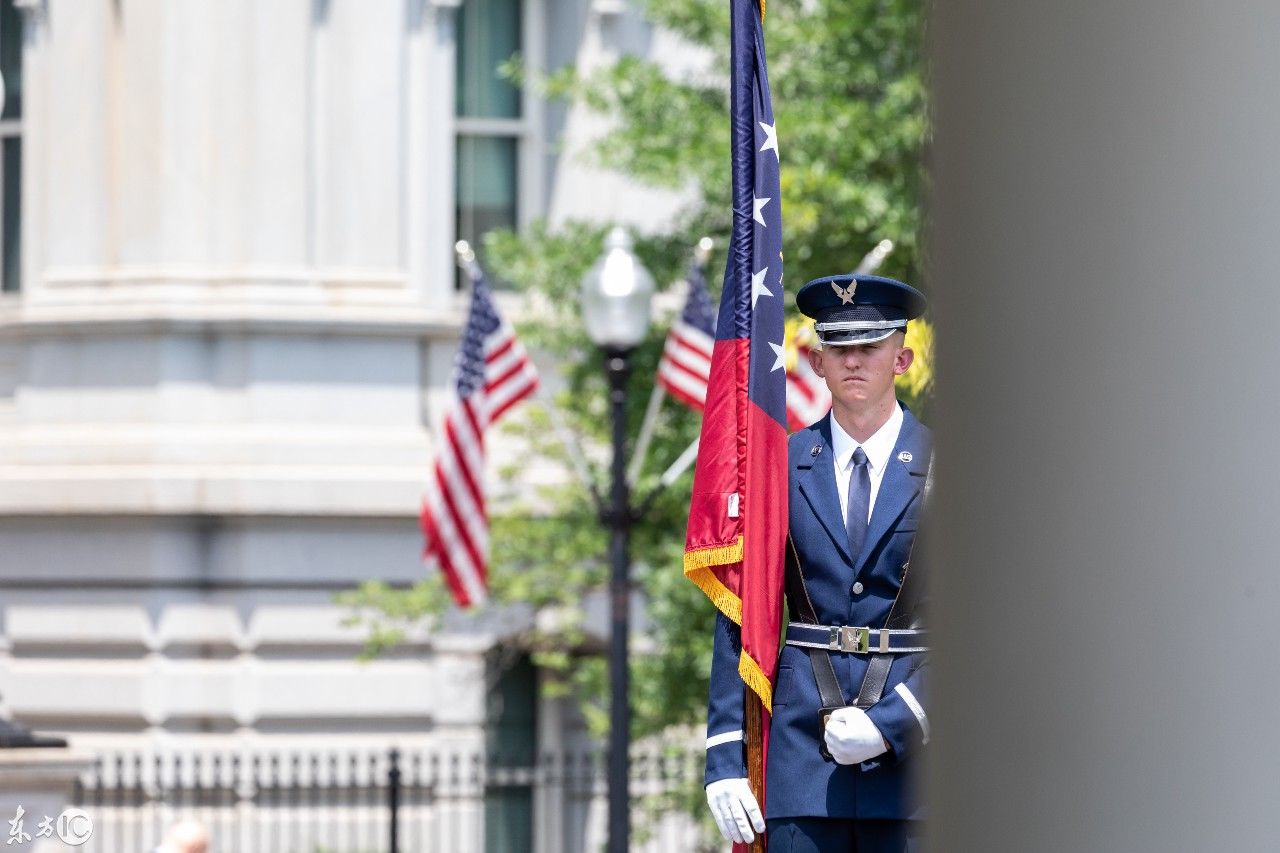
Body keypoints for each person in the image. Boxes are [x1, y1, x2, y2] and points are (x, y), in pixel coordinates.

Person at [704, 274, 932, 852]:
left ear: (901, 358)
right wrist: (726, 754)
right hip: (803, 763)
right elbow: (741, 610)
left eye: (870, 346)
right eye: (838, 347)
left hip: (916, 769)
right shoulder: (778, 468)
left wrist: (893, 723)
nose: (853, 361)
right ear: (816, 361)